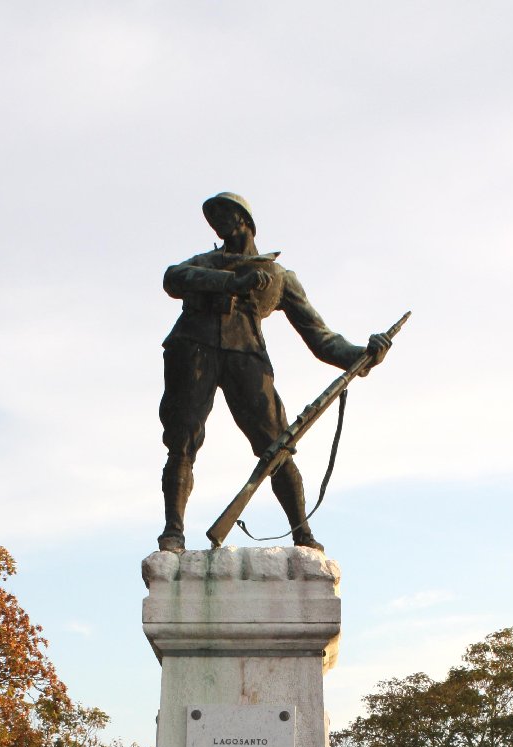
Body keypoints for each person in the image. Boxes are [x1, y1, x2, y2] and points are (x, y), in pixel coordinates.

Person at [157, 192, 391, 554]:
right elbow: (173, 278)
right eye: (213, 217)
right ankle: (173, 531)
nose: (218, 221)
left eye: (225, 213)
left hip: (246, 357)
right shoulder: (204, 262)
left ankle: (301, 531)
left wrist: (364, 355)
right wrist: (227, 283)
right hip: (194, 349)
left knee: (277, 446)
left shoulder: (277, 275)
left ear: (246, 221)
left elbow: (321, 337)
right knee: (181, 441)